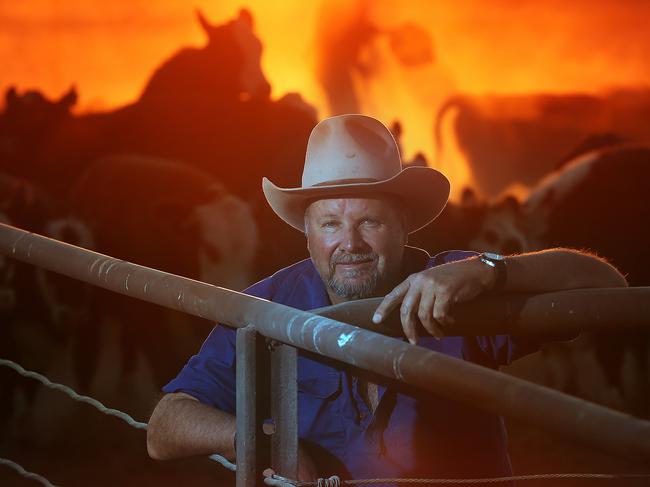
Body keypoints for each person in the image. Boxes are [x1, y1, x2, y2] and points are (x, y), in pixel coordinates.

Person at [146, 114, 627, 482]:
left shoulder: (456, 283)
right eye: (331, 224)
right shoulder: (269, 304)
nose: (349, 243)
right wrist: (260, 441)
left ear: (403, 226)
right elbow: (164, 427)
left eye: (370, 222)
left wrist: (490, 269)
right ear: (307, 234)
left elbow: (607, 286)